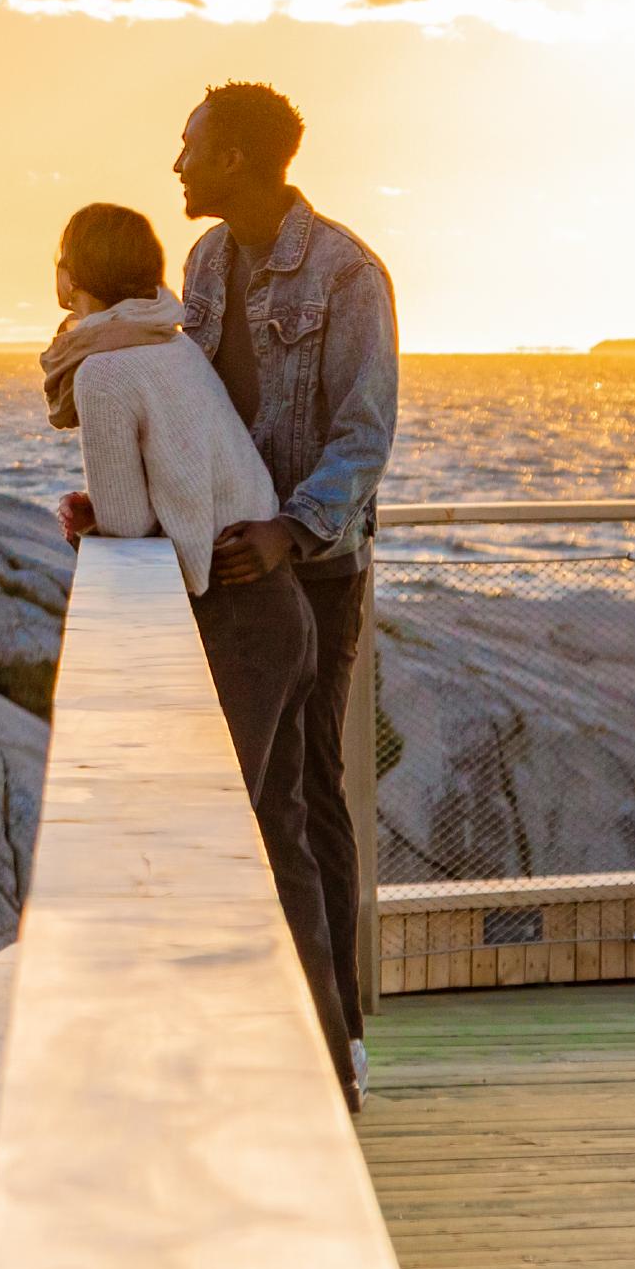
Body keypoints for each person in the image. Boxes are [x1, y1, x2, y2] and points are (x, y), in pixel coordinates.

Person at [57, 81, 400, 1082]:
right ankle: (292, 1030)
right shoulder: (206, 263)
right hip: (224, 568)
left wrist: (291, 531)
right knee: (269, 799)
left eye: (191, 146)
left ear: (237, 159)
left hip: (310, 565)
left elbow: (362, 432)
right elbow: (184, 405)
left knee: (306, 793)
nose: (176, 164)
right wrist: (136, 506)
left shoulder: (345, 273)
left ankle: (340, 1035)